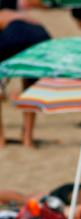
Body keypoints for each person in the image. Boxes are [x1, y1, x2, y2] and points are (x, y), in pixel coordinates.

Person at [0, 10, 50, 148]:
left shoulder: (4, 15)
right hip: (41, 38)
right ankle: (28, 138)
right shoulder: (21, 16)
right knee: (30, 87)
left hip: (16, 36)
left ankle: (0, 139)